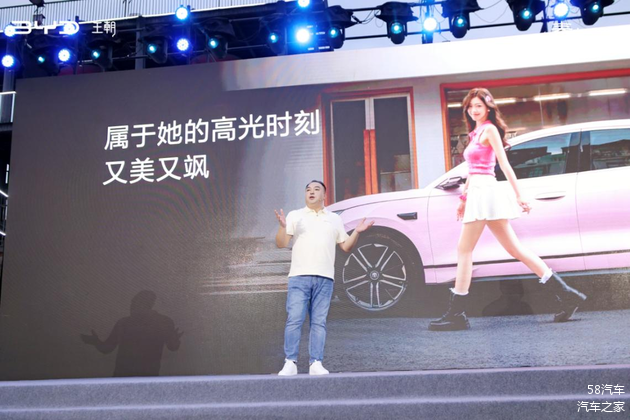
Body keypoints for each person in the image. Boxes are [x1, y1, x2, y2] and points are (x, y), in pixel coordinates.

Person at [429, 88, 587, 332]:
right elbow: (472, 171)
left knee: (464, 250)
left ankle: (456, 313)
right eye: (470, 106)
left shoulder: (489, 130)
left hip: (486, 193)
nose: (474, 110)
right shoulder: (475, 133)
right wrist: (463, 197)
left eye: (479, 106)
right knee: (514, 248)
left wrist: (519, 195)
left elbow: (503, 164)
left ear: (488, 108)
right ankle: (567, 294)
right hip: (479, 193)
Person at [274, 180, 373, 375]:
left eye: (316, 189)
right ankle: (290, 362)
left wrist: (357, 232)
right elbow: (281, 243)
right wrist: (283, 227)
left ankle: (316, 363)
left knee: (319, 322)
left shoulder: (334, 219)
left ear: (324, 195)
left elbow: (346, 246)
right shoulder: (295, 215)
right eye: (308, 190)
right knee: (294, 320)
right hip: (299, 277)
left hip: (325, 278)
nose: (311, 192)